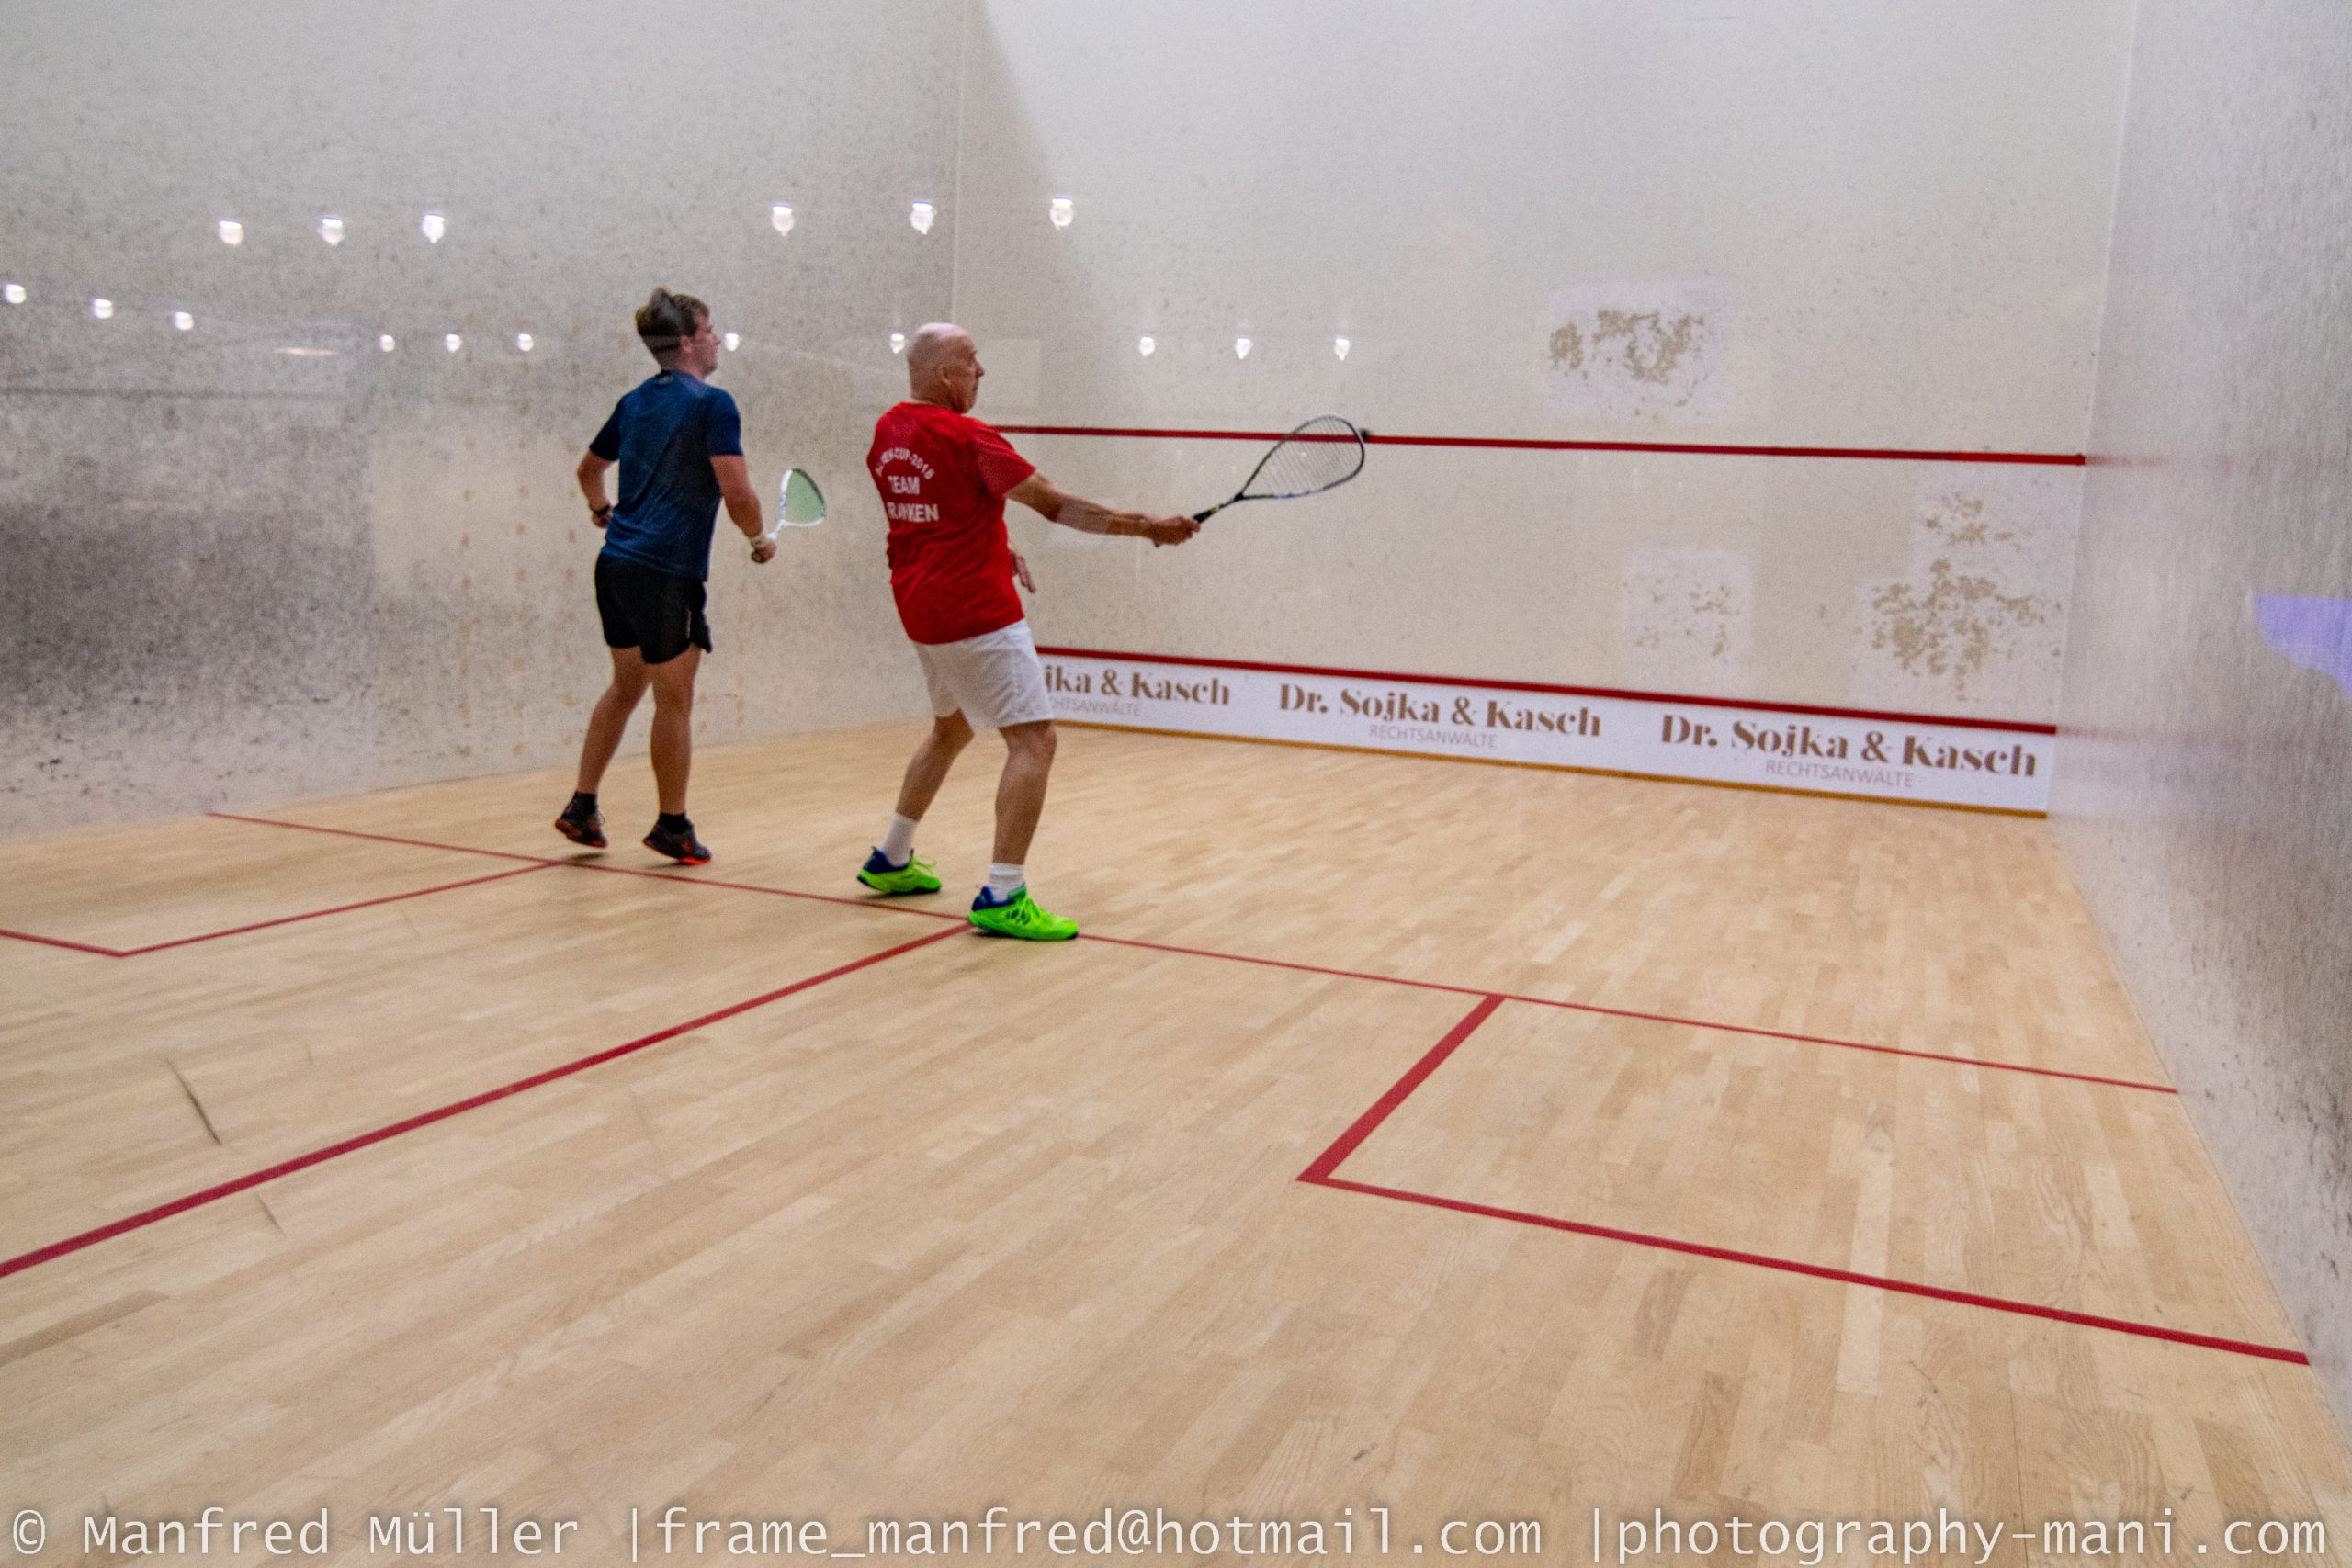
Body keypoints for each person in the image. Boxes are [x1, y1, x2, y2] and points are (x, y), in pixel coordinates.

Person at [859, 322, 1198, 940]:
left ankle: (892, 856)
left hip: (919, 606)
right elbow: (1057, 505)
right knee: (1035, 741)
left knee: (951, 728)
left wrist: (996, 544)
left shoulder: (889, 429)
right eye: (972, 360)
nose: (981, 371)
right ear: (945, 374)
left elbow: (935, 508)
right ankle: (1003, 892)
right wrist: (1146, 526)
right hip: (975, 612)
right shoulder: (971, 437)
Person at [555, 287, 774, 865]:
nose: (717, 338)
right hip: (666, 574)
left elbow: (588, 471)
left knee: (626, 686)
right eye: (709, 329)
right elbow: (737, 491)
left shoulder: (634, 402)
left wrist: (601, 510)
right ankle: (672, 825)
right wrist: (759, 540)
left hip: (616, 566)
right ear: (687, 342)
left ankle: (582, 806)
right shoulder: (713, 405)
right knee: (673, 700)